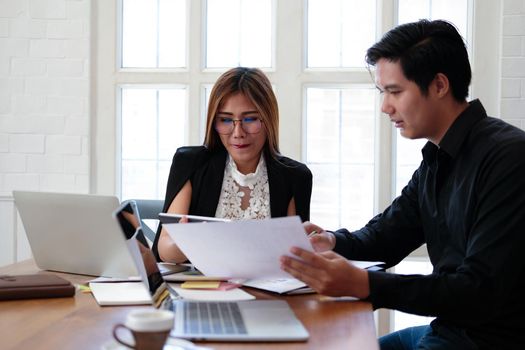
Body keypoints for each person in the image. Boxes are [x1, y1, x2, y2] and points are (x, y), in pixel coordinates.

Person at [280, 19, 525, 349]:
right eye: (383, 93)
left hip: (486, 341)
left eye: (395, 91)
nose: (385, 107)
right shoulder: (437, 159)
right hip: (449, 331)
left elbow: (479, 291)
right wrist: (332, 243)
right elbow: (388, 235)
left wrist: (365, 284)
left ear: (439, 85)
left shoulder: (509, 157)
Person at [153, 67, 312, 263]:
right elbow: (165, 250)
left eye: (250, 119)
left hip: (268, 291)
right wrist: (192, 241)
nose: (238, 132)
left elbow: (295, 259)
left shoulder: (295, 176)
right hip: (199, 290)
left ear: (268, 119)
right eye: (226, 120)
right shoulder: (190, 163)